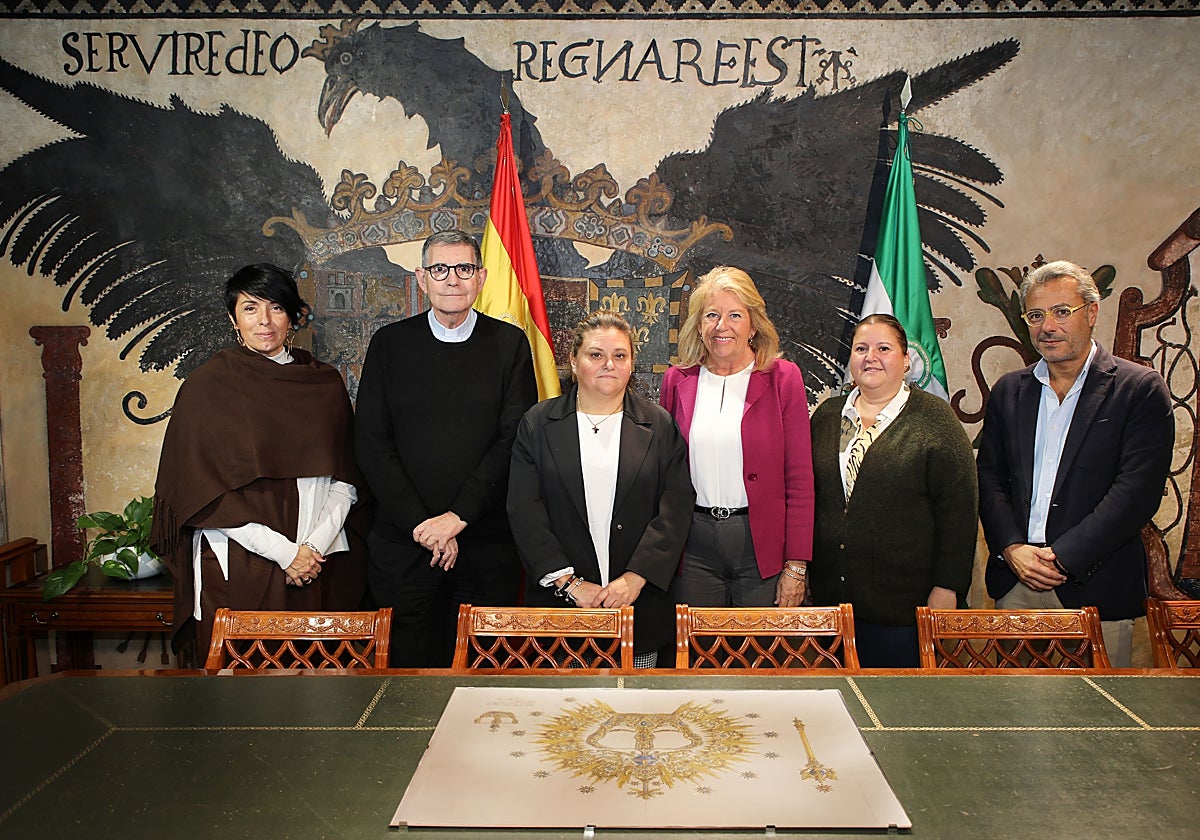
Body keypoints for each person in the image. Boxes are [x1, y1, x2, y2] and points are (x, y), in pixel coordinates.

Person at [151, 263, 363, 662]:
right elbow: (202, 493)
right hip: (240, 563)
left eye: (276, 307)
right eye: (250, 308)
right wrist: (285, 554)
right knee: (239, 689)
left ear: (293, 316)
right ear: (234, 319)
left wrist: (311, 549)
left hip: (318, 562)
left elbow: (346, 479)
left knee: (315, 686)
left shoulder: (324, 383)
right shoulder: (208, 387)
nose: (264, 320)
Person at [977, 260, 1174, 667]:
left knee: (1097, 708)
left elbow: (1136, 494)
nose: (1048, 326)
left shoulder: (1138, 389)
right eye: (1036, 315)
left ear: (1092, 312)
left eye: (1062, 311)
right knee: (1010, 705)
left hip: (1095, 587)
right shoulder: (1009, 390)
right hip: (1016, 583)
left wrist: (1062, 557)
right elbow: (990, 478)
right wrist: (1012, 548)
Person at [355, 230, 537, 667]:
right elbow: (372, 444)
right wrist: (423, 526)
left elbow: (512, 441)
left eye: (464, 268)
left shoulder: (509, 344)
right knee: (404, 678)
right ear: (422, 278)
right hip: (404, 544)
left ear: (481, 278)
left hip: (484, 545)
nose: (452, 279)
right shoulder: (390, 344)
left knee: (484, 675)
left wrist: (456, 519)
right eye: (440, 269)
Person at [508, 312, 694, 667]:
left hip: (638, 607)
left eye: (619, 355)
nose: (609, 364)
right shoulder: (538, 423)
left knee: (635, 701)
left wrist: (636, 578)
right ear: (574, 362)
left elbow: (676, 507)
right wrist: (569, 583)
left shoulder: (658, 425)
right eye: (596, 354)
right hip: (562, 612)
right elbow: (525, 509)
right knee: (563, 704)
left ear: (631, 364)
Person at [807, 314, 978, 667]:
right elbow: (810, 498)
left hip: (904, 613)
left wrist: (948, 587)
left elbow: (959, 511)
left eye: (883, 348)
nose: (871, 357)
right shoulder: (826, 416)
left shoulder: (935, 419)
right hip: (831, 607)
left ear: (906, 359)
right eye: (861, 349)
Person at [660, 266, 814, 609]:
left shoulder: (782, 378)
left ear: (753, 325)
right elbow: (665, 475)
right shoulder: (677, 380)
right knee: (697, 643)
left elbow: (800, 480)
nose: (721, 326)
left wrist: (796, 566)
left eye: (734, 315)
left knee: (759, 644)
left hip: (762, 549)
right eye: (711, 315)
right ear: (698, 324)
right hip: (693, 549)